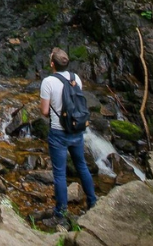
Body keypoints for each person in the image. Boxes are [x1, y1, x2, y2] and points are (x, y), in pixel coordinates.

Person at [39, 47, 97, 225]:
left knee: (59, 174)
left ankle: (61, 212)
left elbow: (44, 111)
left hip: (58, 132)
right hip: (76, 130)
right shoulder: (75, 78)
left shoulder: (48, 82)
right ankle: (93, 201)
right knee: (82, 166)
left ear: (52, 64)